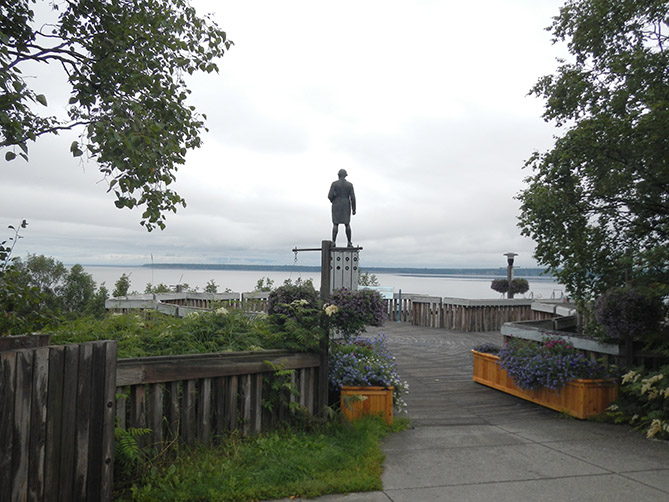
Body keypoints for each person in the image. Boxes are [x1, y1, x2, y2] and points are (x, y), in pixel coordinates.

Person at [328, 169, 356, 247]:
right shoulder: (349, 185)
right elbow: (353, 198)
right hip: (346, 205)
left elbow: (329, 196)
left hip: (336, 204)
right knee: (347, 224)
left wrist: (333, 199)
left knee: (335, 224)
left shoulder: (334, 184)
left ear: (339, 175)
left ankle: (333, 242)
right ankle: (349, 242)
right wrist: (354, 209)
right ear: (345, 175)